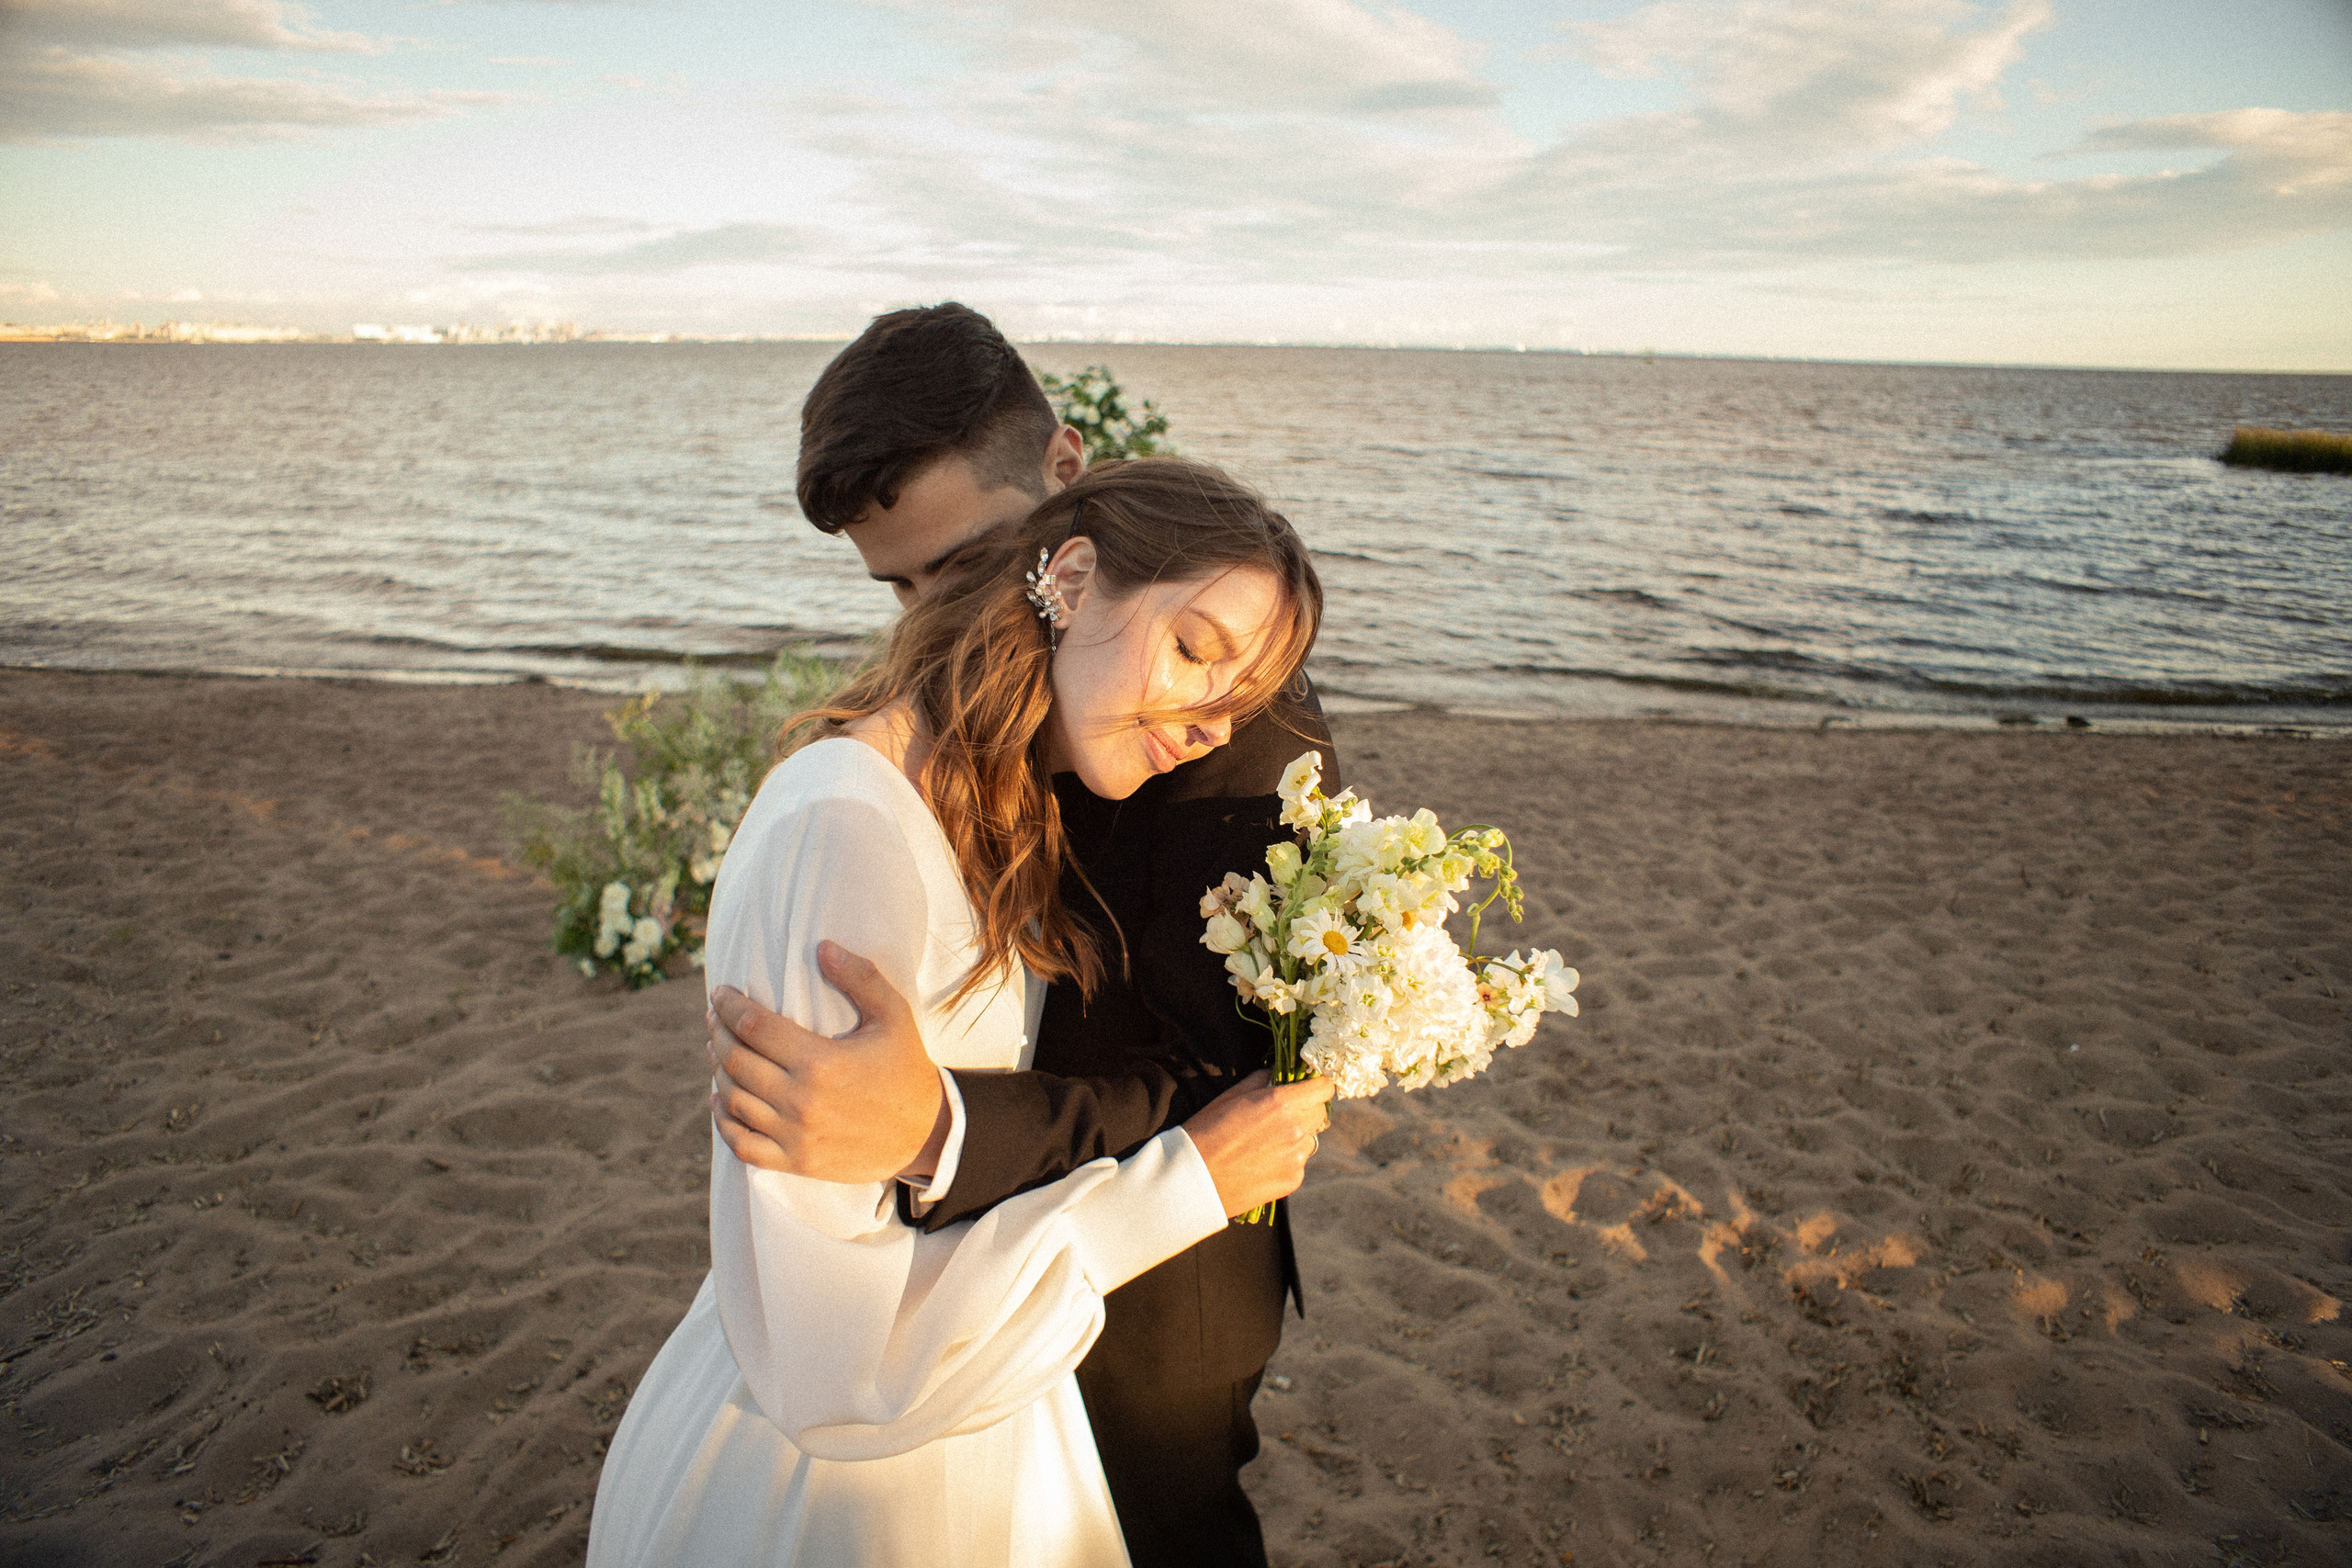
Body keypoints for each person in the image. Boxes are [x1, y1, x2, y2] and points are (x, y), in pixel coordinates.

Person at [586, 457, 1336, 1568]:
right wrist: (1188, 1185)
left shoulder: (988, 799)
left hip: (988, 1424)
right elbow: (828, 1364)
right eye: (1194, 652)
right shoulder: (846, 830)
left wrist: (934, 1128)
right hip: (848, 1494)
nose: (1213, 727)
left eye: (1238, 696)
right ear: (1071, 578)